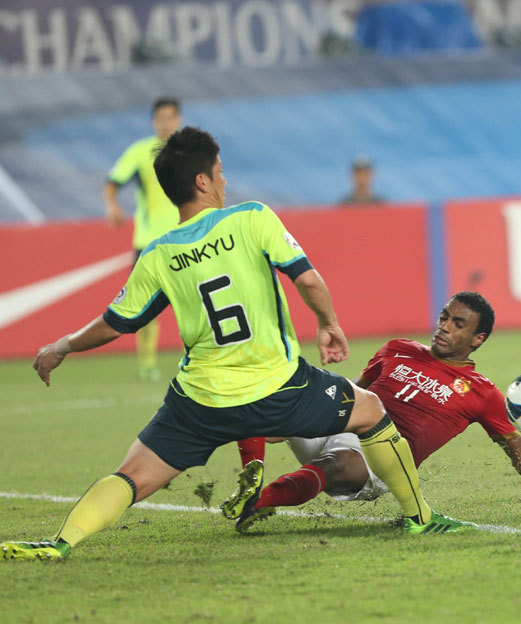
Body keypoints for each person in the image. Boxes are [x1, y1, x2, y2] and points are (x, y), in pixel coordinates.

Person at [0, 127, 467, 562]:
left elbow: (114, 324)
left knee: (134, 474)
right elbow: (307, 278)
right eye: (220, 171)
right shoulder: (251, 218)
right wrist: (328, 323)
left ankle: (61, 543)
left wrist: (61, 345)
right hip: (278, 388)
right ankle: (420, 518)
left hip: (199, 401)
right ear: (203, 181)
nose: (225, 179)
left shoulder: (158, 255)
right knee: (369, 410)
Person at [222, 291, 521, 533]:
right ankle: (247, 471)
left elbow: (520, 454)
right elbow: (357, 389)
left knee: (339, 463)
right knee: (273, 396)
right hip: (341, 424)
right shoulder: (397, 348)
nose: (443, 327)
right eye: (444, 316)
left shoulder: (483, 393)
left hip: (378, 461)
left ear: (478, 340)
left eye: (458, 324)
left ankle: (257, 502)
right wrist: (292, 421)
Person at [103, 97, 183, 380]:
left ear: (178, 119)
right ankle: (147, 363)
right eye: (160, 118)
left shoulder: (189, 151)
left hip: (186, 237)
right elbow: (113, 182)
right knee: (146, 305)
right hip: (149, 241)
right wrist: (113, 206)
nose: (165, 123)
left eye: (170, 117)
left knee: (196, 298)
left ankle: (204, 355)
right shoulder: (139, 152)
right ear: (154, 121)